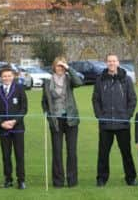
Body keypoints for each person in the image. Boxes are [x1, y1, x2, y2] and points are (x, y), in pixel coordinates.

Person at [92, 54, 137, 187]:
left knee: (126, 152)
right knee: (103, 153)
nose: (112, 63)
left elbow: (132, 99)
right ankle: (101, 179)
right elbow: (95, 99)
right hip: (106, 124)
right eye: (109, 61)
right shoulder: (100, 79)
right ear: (106, 63)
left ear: (118, 62)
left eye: (114, 61)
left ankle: (131, 178)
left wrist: (127, 115)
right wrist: (100, 116)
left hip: (122, 123)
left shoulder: (126, 79)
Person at [42, 57, 83, 188]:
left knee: (71, 151)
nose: (60, 69)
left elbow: (79, 82)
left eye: (62, 66)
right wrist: (48, 115)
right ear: (54, 67)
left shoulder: (69, 79)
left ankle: (72, 181)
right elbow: (44, 102)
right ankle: (58, 181)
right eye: (57, 66)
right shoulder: (48, 82)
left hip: (71, 119)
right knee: (57, 151)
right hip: (56, 120)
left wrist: (69, 68)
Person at [0, 65, 28, 189]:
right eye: (4, 76)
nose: (7, 78)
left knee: (19, 154)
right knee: (6, 155)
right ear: (1, 77)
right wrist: (2, 123)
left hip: (17, 128)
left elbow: (24, 108)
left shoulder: (19, 89)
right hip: (3, 129)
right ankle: (8, 179)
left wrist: (14, 120)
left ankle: (21, 180)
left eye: (9, 76)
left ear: (13, 76)